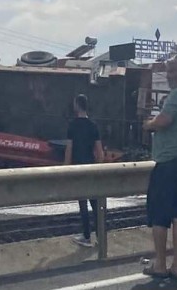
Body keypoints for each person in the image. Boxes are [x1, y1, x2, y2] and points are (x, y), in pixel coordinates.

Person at [142, 55, 177, 280]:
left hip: (169, 161)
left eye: (172, 71)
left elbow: (164, 121)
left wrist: (149, 124)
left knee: (160, 214)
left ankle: (160, 264)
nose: (169, 76)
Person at [64, 94, 104, 247]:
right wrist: (98, 167)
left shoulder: (72, 126)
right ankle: (101, 236)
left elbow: (69, 150)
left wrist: (65, 170)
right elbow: (100, 153)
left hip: (78, 168)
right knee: (95, 204)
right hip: (91, 168)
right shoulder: (93, 126)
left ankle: (86, 236)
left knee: (83, 204)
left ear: (77, 105)